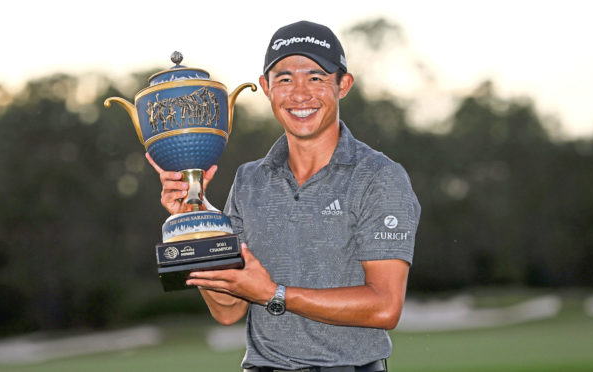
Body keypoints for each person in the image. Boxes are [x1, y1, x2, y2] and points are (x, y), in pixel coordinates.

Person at [147, 20, 420, 372]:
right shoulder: (249, 180)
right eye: (284, 78)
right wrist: (198, 226)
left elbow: (385, 306)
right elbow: (228, 310)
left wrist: (274, 294)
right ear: (266, 87)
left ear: (343, 84)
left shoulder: (379, 177)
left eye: (316, 77)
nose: (300, 93)